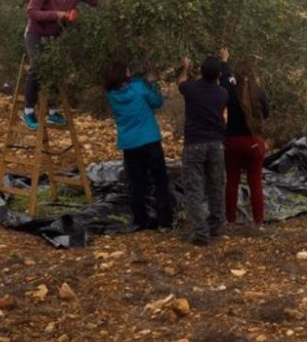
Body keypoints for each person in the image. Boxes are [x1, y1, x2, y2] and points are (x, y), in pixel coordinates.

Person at [23, 0, 100, 129]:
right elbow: (32, 12)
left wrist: (120, 5)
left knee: (57, 70)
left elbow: (96, 1)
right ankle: (28, 111)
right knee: (39, 68)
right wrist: (57, 15)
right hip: (36, 34)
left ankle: (52, 112)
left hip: (56, 36)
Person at [103, 59, 173, 231]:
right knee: (160, 181)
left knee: (136, 184)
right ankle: (165, 222)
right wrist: (153, 83)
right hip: (149, 140)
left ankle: (140, 220)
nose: (130, 70)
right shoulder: (138, 86)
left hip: (129, 143)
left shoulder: (110, 94)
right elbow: (157, 102)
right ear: (122, 73)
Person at [177, 56, 229, 246]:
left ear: (200, 71)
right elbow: (224, 82)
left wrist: (185, 68)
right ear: (218, 75)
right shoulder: (223, 93)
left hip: (194, 144)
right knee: (216, 186)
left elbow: (180, 82)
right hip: (216, 144)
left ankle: (201, 232)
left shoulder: (191, 89)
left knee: (194, 188)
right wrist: (224, 61)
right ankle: (216, 227)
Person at [218, 48, 270, 228]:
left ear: (237, 76)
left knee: (231, 181)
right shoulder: (260, 92)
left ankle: (230, 221)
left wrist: (224, 61)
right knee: (255, 182)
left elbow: (224, 78)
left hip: (232, 142)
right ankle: (258, 222)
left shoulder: (230, 91)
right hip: (254, 143)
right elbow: (267, 113)